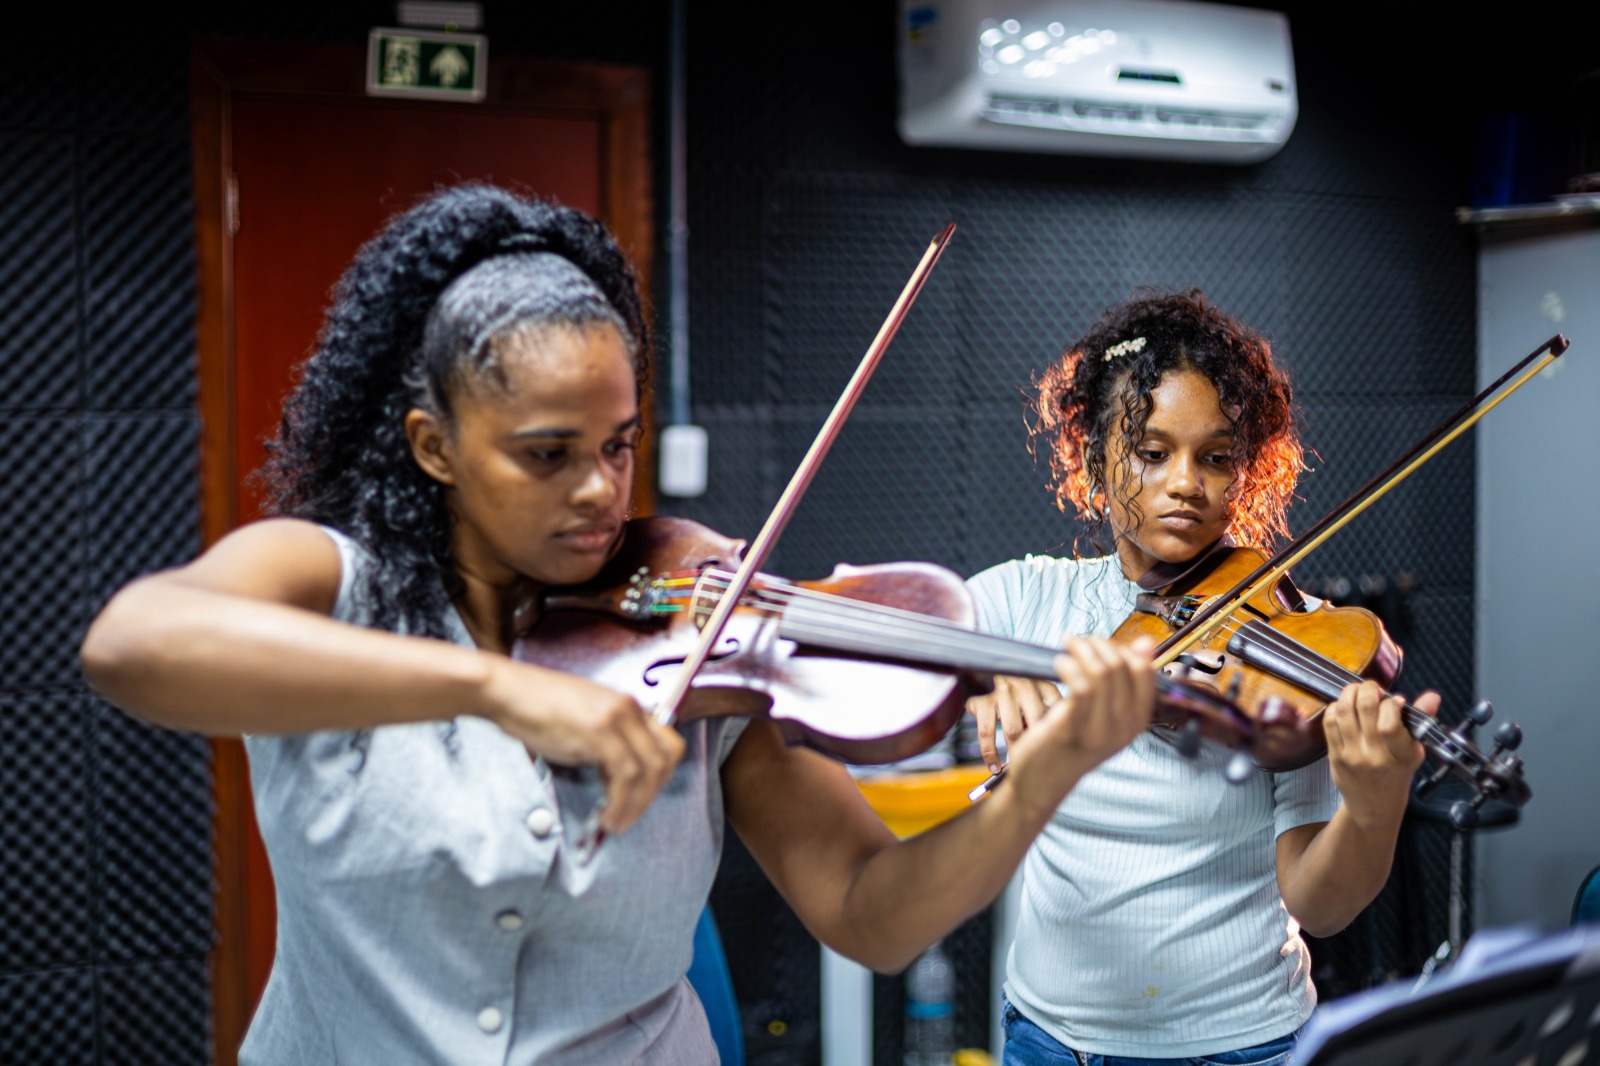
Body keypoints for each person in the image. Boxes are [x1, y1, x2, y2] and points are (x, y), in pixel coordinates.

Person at [80, 183, 1157, 1064]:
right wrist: (493, 684)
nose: (600, 489)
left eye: (620, 444)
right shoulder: (331, 580)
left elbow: (872, 913)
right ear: (434, 444)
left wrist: (1042, 779)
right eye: (547, 453)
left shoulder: (701, 620)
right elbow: (132, 643)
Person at [966, 290, 1440, 1066]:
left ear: (1243, 472)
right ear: (1093, 453)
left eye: (1216, 457)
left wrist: (1375, 808)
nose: (1185, 482)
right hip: (1048, 1043)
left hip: (1242, 1048)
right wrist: (980, 677)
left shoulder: (1299, 640)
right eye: (1152, 453)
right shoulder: (1029, 597)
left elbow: (1319, 907)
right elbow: (891, 655)